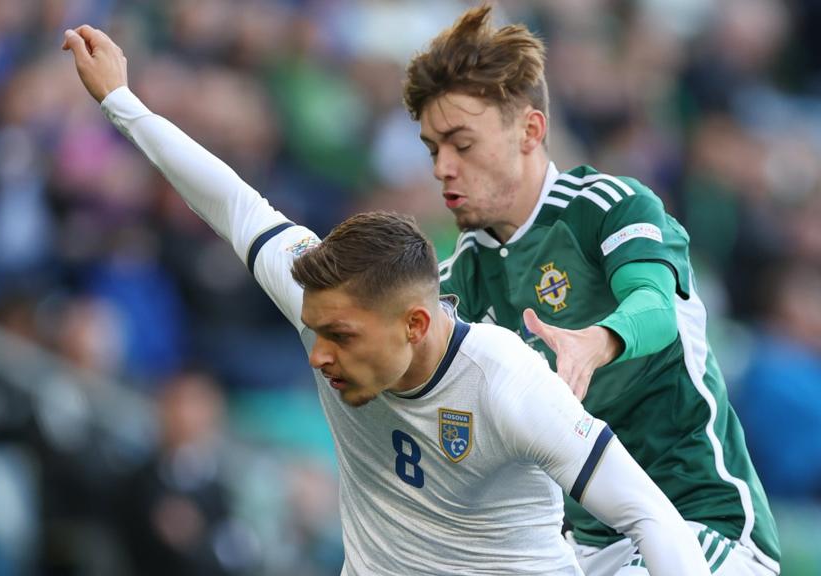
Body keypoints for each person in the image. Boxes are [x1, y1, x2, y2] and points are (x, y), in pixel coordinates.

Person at [62, 25, 711, 575]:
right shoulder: (323, 291)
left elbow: (650, 515)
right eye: (315, 331)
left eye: (339, 336)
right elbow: (233, 204)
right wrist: (122, 101)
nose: (318, 355)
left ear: (415, 324)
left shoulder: (506, 381)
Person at [401, 5, 779, 575]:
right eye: (433, 149)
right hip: (579, 553)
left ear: (530, 130)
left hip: (701, 527)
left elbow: (656, 309)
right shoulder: (456, 286)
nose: (442, 168)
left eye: (461, 144)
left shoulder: (609, 207)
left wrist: (595, 341)